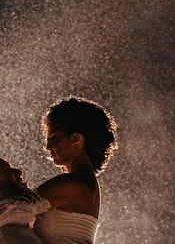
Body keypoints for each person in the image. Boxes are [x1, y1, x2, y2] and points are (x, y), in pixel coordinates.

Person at [33, 96, 118, 244]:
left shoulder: (74, 184)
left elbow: (11, 208)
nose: (47, 146)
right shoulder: (85, 183)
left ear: (76, 138)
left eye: (54, 138)